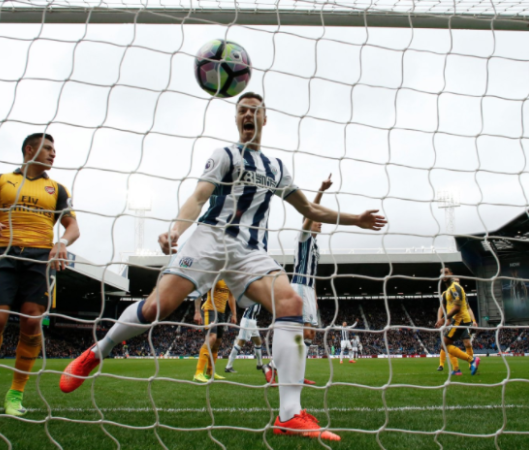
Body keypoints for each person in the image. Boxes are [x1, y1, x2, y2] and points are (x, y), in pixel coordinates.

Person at [59, 92, 386, 442]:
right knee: (158, 307)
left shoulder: (275, 167)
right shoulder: (225, 155)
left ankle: (289, 414)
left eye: (254, 110)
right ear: (236, 119)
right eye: (242, 110)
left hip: (250, 250)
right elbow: (199, 196)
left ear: (264, 118)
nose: (248, 114)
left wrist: (356, 219)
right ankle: (98, 351)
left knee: (290, 303)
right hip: (210, 239)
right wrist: (175, 230)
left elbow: (308, 209)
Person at [0, 133, 79, 416]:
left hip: (39, 258)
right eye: (47, 148)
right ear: (29, 150)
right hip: (1, 255)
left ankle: (15, 394)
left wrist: (61, 242)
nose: (53, 154)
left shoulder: (58, 189)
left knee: (31, 323)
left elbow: (73, 227)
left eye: (55, 149)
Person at [291, 174, 332, 382]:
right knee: (304, 335)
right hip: (298, 288)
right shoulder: (303, 237)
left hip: (308, 290)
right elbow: (310, 211)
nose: (320, 224)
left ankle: (291, 371)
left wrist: (314, 297)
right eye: (317, 221)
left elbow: (313, 276)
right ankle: (283, 370)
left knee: (310, 335)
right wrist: (321, 190)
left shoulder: (316, 246)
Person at [435, 268, 481, 376]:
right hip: (456, 320)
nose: (444, 275)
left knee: (446, 345)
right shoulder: (447, 292)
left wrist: (443, 319)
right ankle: (457, 368)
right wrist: (443, 319)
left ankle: (471, 361)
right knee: (447, 344)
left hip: (459, 320)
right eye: (441, 273)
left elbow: (458, 307)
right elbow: (443, 307)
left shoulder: (455, 289)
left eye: (446, 273)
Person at [192, 280, 237, 382]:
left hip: (221, 312)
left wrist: (234, 314)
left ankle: (210, 372)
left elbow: (231, 297)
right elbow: (199, 291)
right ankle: (198, 373)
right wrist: (197, 311)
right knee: (212, 337)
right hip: (209, 309)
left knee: (217, 342)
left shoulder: (229, 279)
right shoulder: (214, 276)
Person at [224, 303, 265, 373]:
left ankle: (259, 364)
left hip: (253, 321)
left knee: (258, 342)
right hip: (247, 321)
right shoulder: (253, 295)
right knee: (241, 342)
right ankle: (228, 366)